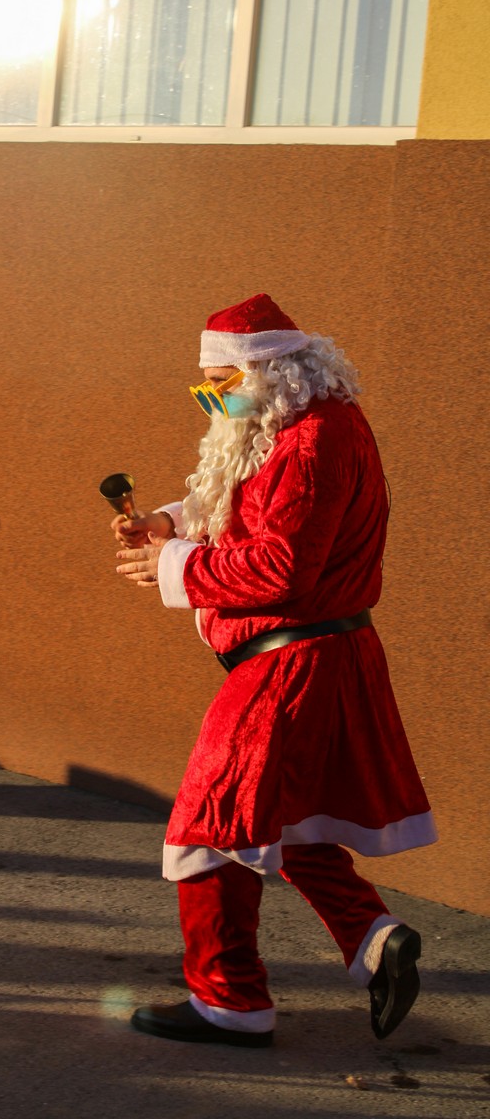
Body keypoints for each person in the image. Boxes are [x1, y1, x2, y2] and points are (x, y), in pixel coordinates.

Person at [113, 293, 436, 1048]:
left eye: (216, 384)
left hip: (292, 661)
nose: (208, 400)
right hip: (313, 656)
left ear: (270, 370)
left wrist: (174, 564)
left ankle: (229, 1001)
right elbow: (247, 506)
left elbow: (285, 567)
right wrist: (169, 522)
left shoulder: (316, 438)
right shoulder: (299, 426)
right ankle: (374, 940)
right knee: (281, 818)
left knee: (214, 819)